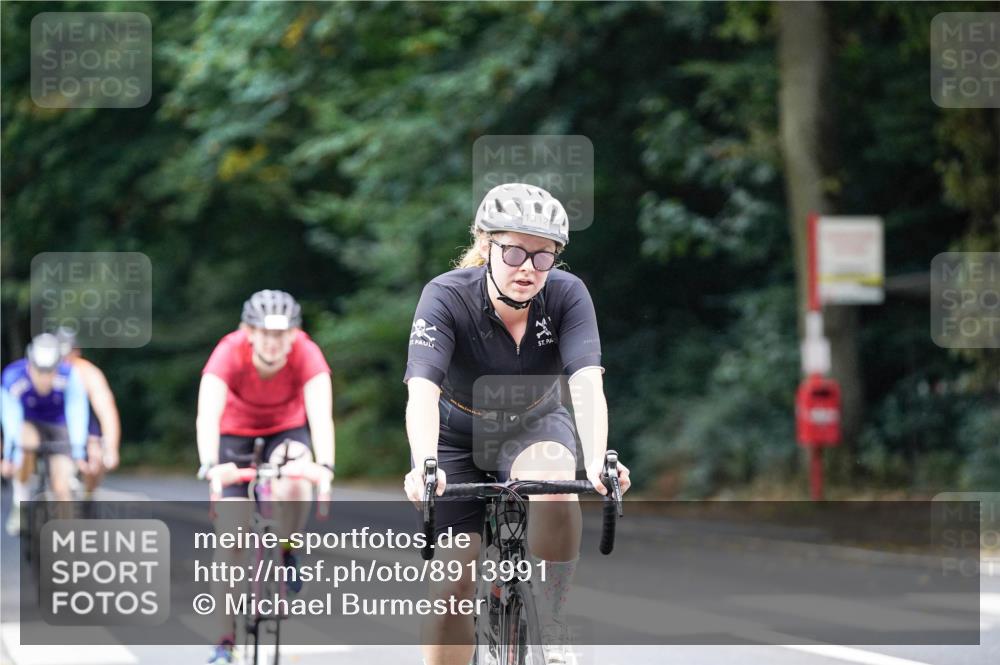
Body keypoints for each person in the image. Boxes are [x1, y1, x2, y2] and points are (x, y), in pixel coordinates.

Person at [402, 183, 631, 665]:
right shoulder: (446, 296)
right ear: (486, 247)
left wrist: (597, 463)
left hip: (536, 424)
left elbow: (587, 382)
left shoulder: (568, 295)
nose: (527, 268)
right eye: (513, 252)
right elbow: (421, 390)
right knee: (450, 588)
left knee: (552, 483)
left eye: (542, 257)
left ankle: (553, 615)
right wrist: (423, 464)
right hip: (458, 436)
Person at [196, 289, 335, 665]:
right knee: (231, 539)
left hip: (286, 432)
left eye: (281, 335)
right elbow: (207, 413)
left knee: (296, 478)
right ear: (249, 332)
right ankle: (223, 641)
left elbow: (320, 415)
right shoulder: (228, 351)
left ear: (293, 334)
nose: (273, 343)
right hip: (234, 436)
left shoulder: (307, 352)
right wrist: (210, 465)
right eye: (265, 334)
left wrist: (325, 466)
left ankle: (288, 545)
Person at [1, 333, 90, 534]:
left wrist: (78, 452)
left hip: (59, 425)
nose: (44, 376)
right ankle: (20, 504)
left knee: (62, 483)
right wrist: (10, 456)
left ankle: (68, 538)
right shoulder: (13, 377)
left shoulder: (69, 376)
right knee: (25, 446)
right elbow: (11, 419)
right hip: (28, 422)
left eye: (49, 371)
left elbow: (77, 413)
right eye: (39, 370)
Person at [55, 327, 121, 500]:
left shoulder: (88, 373)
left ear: (77, 352)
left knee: (95, 460)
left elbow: (106, 410)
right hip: (52, 422)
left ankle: (88, 497)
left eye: (70, 352)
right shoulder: (45, 370)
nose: (65, 359)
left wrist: (111, 447)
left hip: (83, 422)